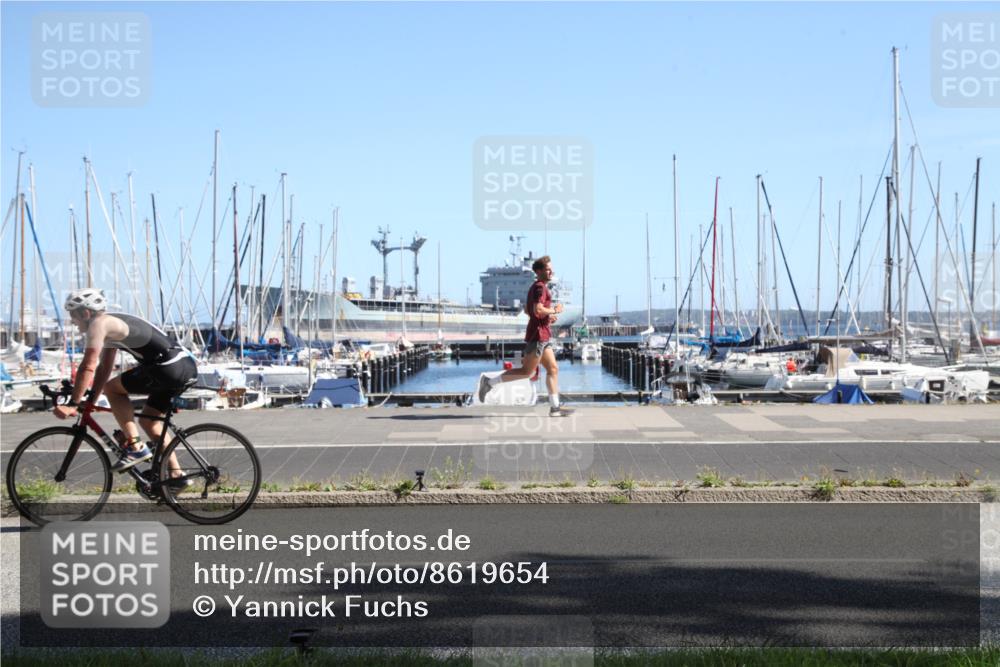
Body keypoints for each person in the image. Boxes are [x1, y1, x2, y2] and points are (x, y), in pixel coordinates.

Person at [54, 288, 198, 487]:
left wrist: (73, 403)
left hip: (168, 367)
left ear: (85, 313)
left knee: (112, 389)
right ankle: (176, 476)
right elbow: (104, 368)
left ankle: (136, 447)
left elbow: (88, 365)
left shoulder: (98, 324)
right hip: (183, 366)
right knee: (150, 422)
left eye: (73, 316)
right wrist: (90, 402)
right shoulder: (110, 323)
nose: (72, 321)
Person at [477, 255, 573, 416]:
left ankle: (555, 408)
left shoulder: (535, 287)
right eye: (548, 269)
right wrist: (554, 310)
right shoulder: (540, 288)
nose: (551, 272)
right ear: (539, 271)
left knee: (553, 369)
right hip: (538, 336)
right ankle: (489, 382)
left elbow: (529, 310)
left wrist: (547, 317)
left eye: (551, 269)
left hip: (543, 334)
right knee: (526, 372)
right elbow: (537, 309)